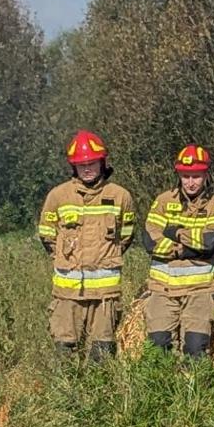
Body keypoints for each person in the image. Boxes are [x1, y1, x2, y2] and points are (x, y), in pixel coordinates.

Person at [38, 130, 135, 361]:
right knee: (65, 350)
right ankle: (68, 396)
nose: (88, 169)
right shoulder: (58, 196)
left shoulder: (121, 196)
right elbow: (46, 234)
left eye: (92, 163)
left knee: (102, 353)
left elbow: (127, 236)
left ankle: (98, 396)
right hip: (67, 292)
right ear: (74, 167)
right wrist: (64, 260)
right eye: (82, 165)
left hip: (105, 295)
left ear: (103, 163)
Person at [141, 145, 214, 357]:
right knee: (158, 347)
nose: (190, 182)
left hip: (200, 290)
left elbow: (210, 242)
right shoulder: (163, 201)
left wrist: (175, 232)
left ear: (206, 175)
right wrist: (185, 250)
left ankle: (195, 390)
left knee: (195, 348)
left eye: (196, 176)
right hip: (163, 290)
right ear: (178, 175)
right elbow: (150, 240)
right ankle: (163, 390)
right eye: (185, 176)